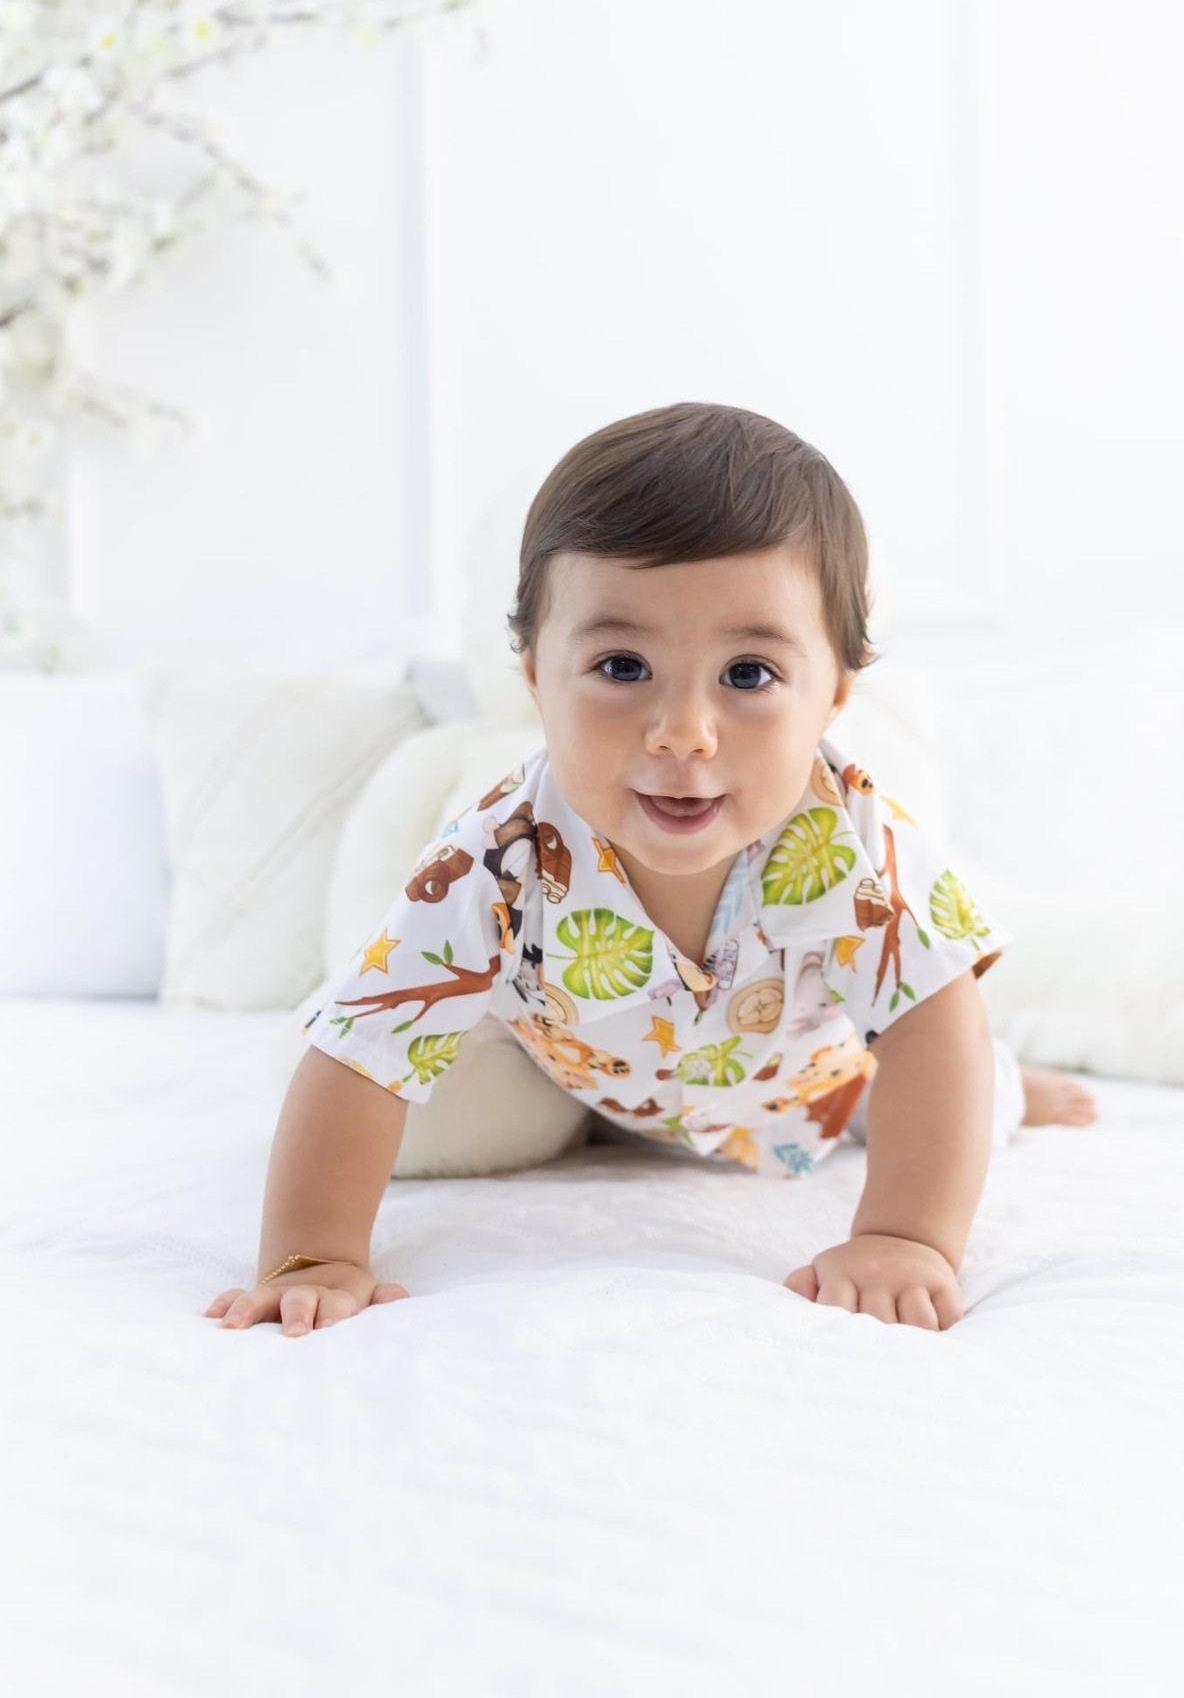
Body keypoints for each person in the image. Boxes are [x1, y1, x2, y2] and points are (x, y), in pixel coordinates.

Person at [204, 402, 1096, 1339]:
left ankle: (1014, 1083)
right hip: (597, 1075)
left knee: (936, 1089)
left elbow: (930, 1022)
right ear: (534, 673)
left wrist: (907, 1238)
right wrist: (313, 1253)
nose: (682, 733)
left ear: (835, 690)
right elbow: (364, 1047)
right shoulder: (494, 857)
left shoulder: (853, 843)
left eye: (748, 675)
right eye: (623, 664)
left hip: (813, 1080)